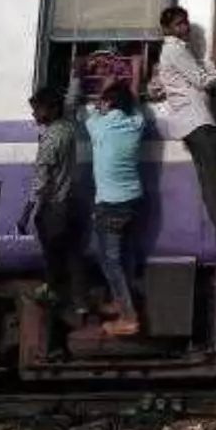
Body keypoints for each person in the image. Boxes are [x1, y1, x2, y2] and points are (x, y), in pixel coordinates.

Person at [148, 6, 216, 248]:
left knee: (209, 180)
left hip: (189, 123)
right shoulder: (175, 50)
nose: (184, 28)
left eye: (185, 22)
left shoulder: (172, 51)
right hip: (198, 120)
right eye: (178, 24)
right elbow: (202, 80)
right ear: (166, 28)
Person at [82, 76, 148, 337]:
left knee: (109, 261)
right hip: (133, 200)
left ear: (108, 103)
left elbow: (88, 110)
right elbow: (136, 105)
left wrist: (103, 89)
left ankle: (129, 317)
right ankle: (120, 301)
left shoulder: (99, 126)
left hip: (110, 204)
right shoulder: (136, 124)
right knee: (124, 256)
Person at [16, 83, 87, 323]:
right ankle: (81, 303)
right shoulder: (68, 126)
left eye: (38, 109)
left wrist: (26, 214)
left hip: (55, 207)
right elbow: (72, 101)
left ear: (53, 109)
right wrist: (76, 79)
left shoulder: (49, 141)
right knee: (74, 254)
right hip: (73, 202)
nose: (34, 114)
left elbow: (41, 182)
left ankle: (53, 294)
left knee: (52, 256)